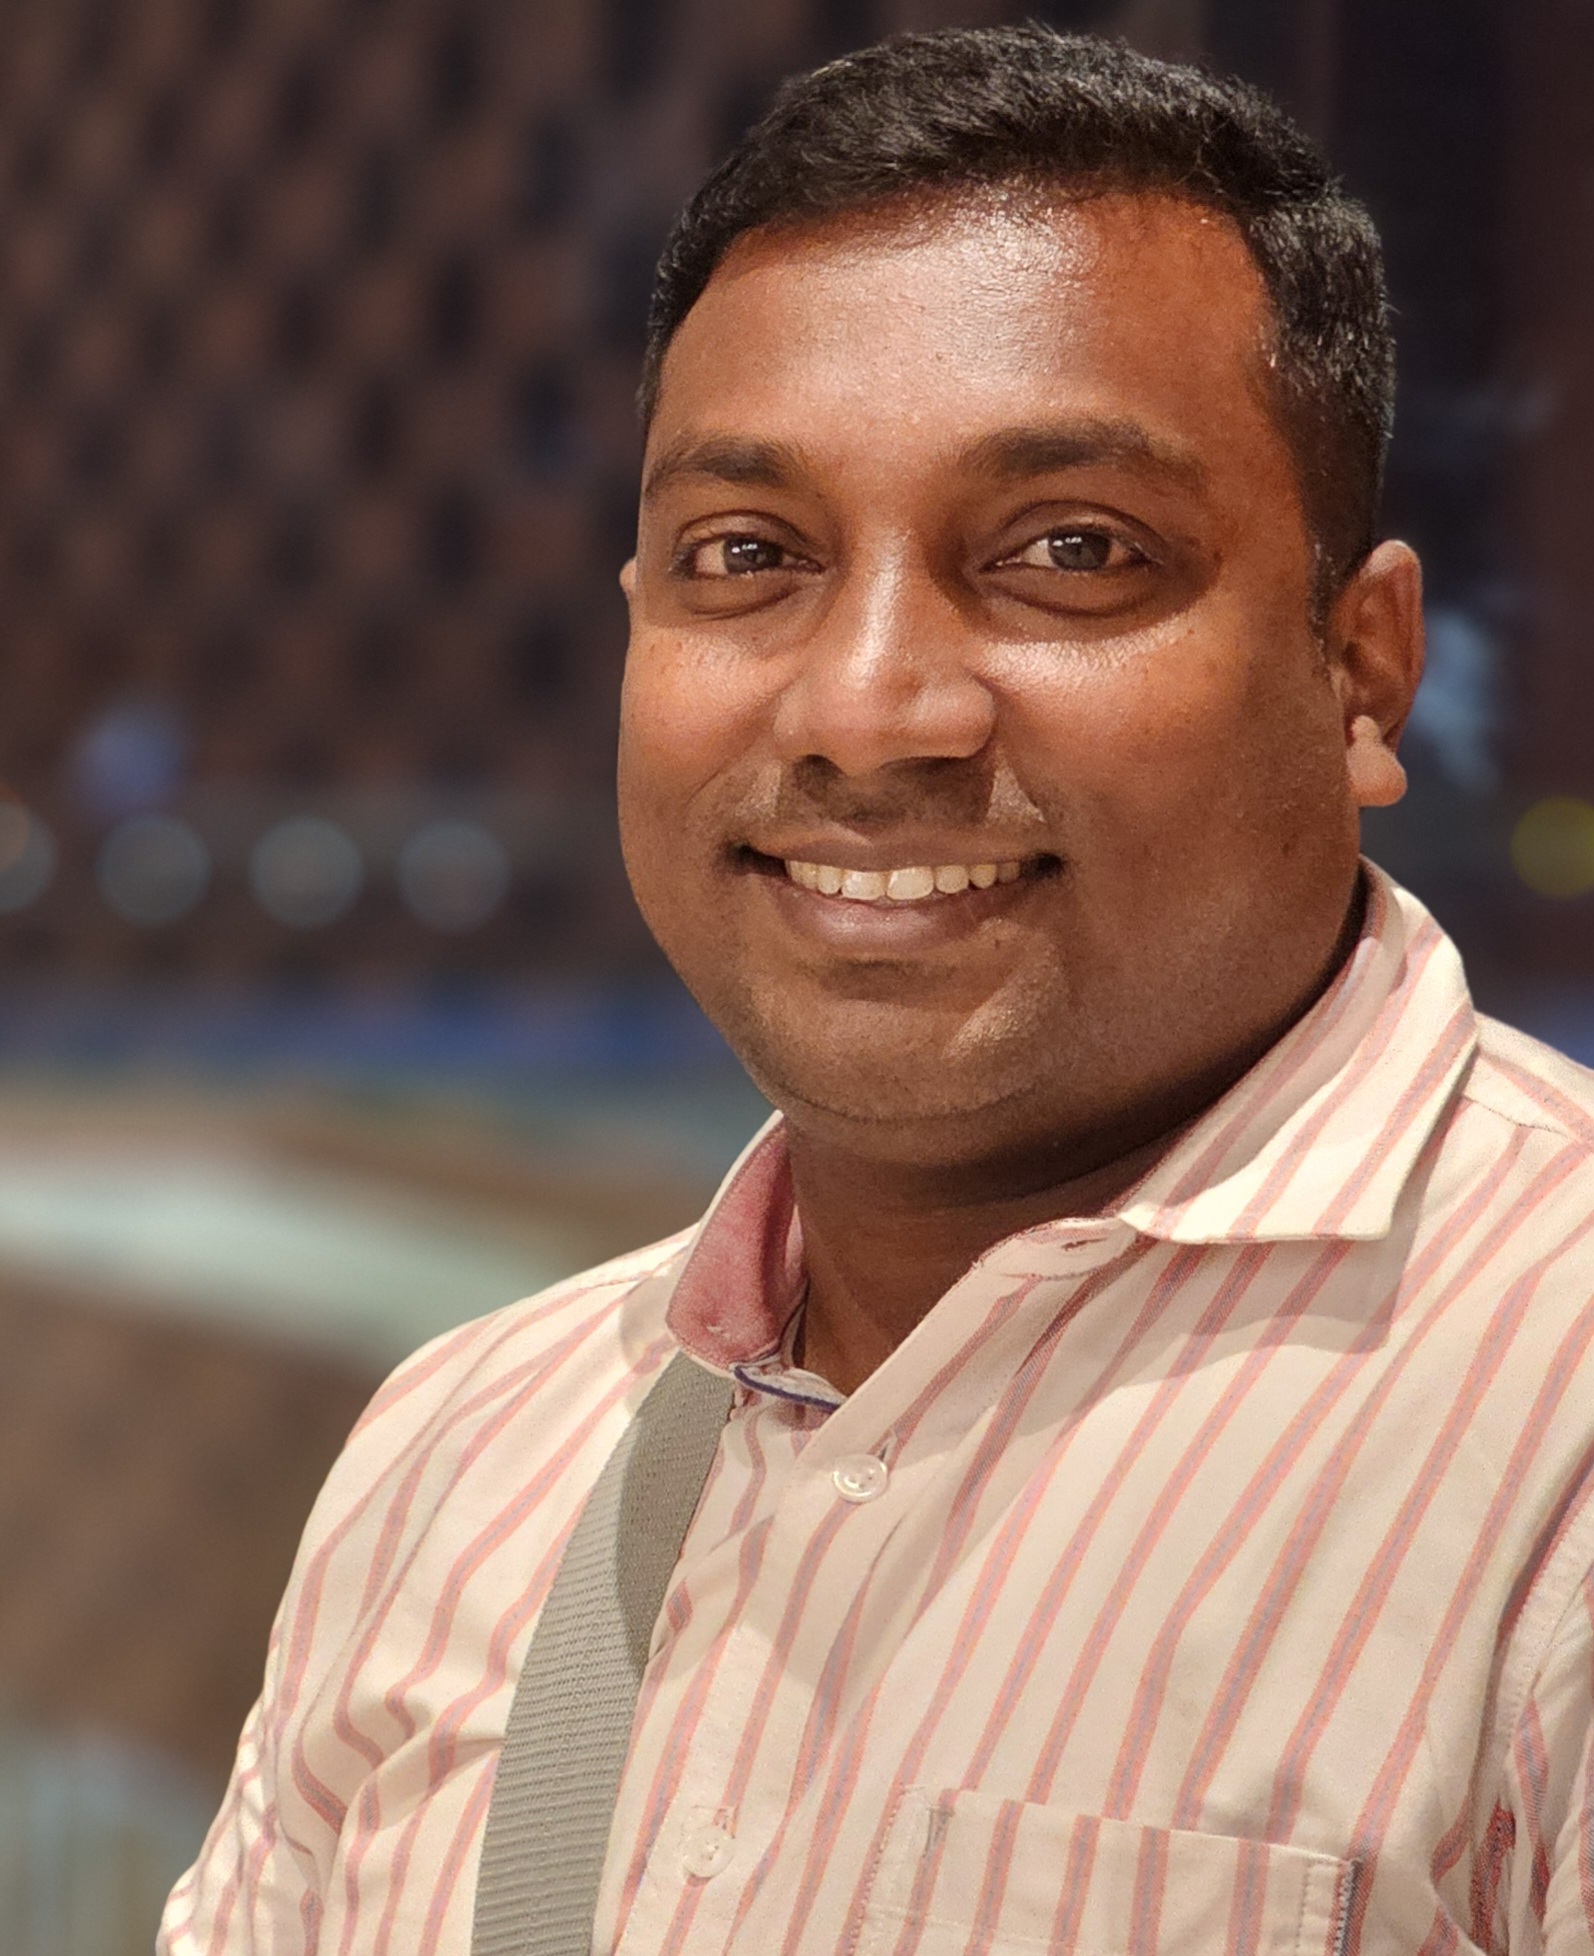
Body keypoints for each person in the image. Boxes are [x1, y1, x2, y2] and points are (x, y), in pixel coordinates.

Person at [161, 25, 1594, 1956]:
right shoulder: (470, 1452)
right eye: (746, 556)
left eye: (1069, 552)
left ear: (1357, 667)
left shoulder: (1551, 1417)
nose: (865, 708)